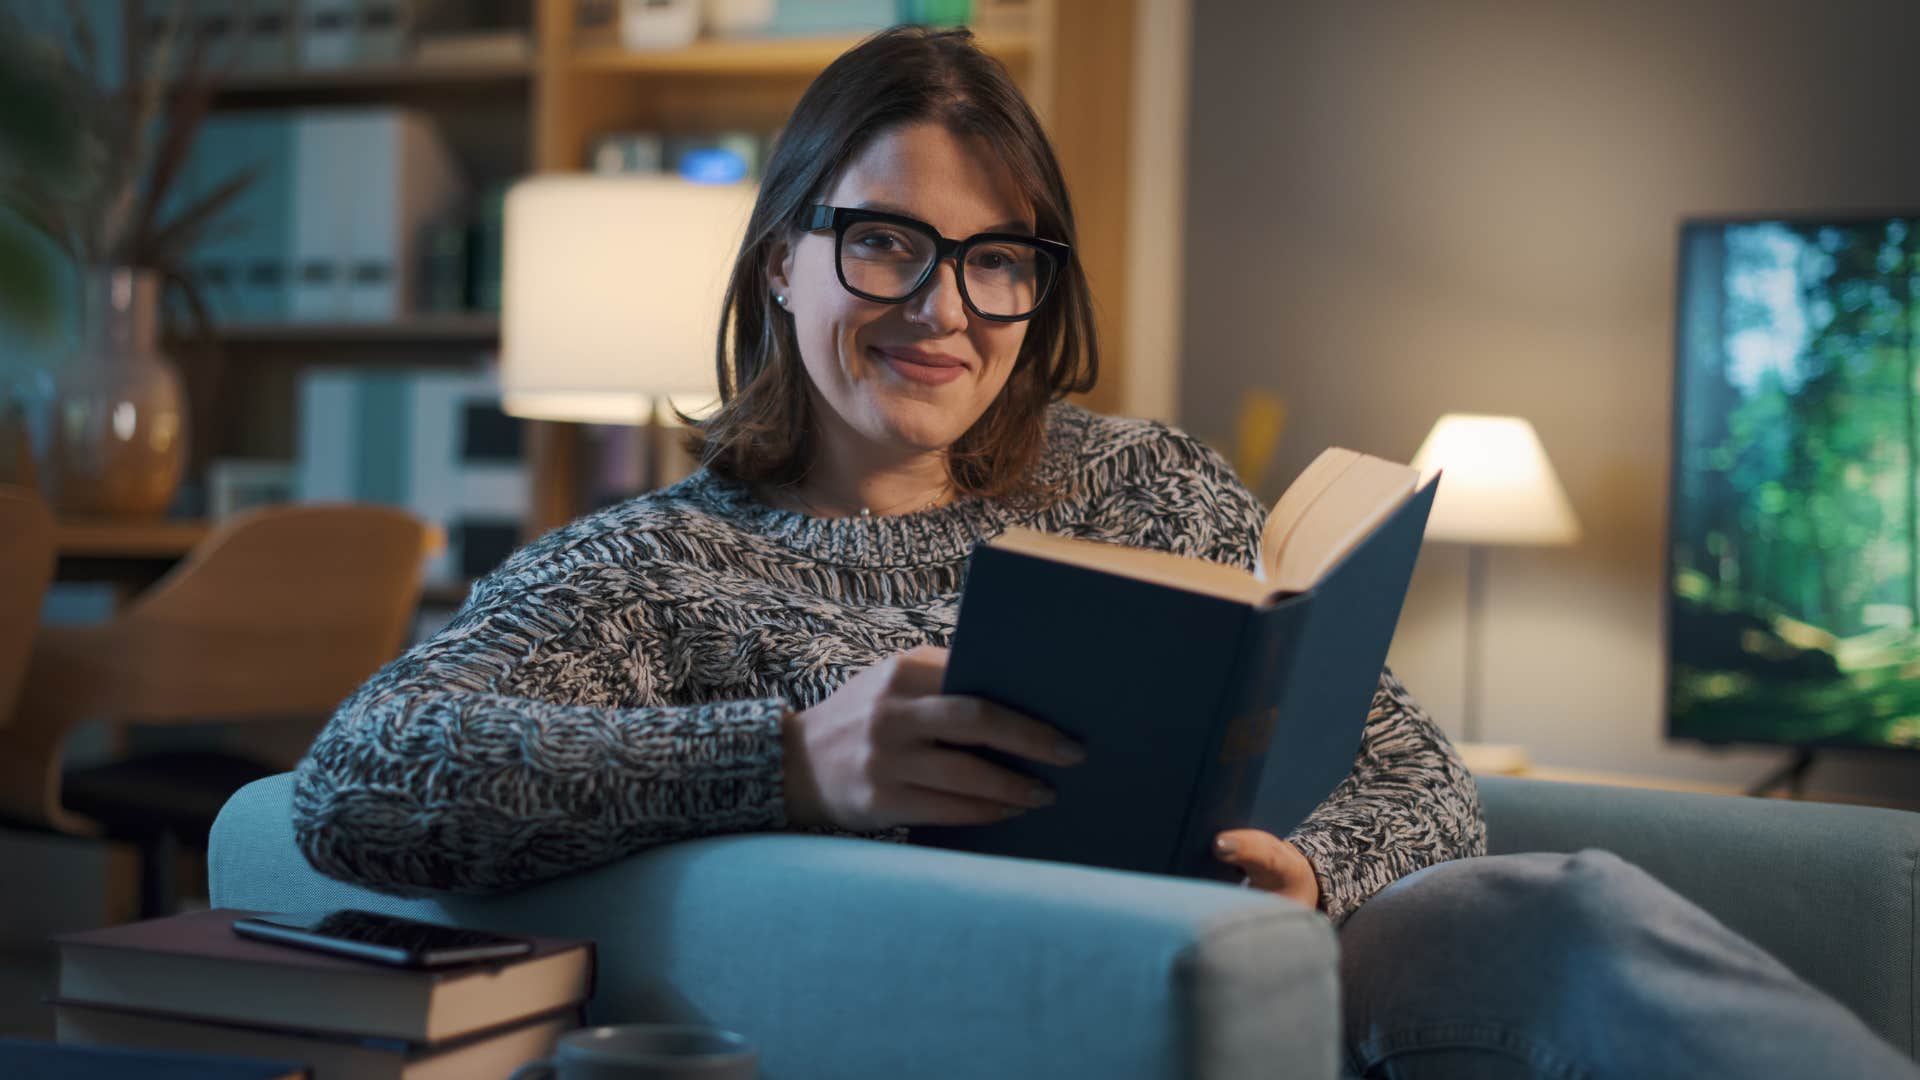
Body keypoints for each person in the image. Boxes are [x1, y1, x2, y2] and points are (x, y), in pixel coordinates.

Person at [292, 27, 1919, 1079]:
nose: (944, 308)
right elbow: (355, 781)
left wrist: (1315, 871)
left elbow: (1423, 775)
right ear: (784, 262)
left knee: (1573, 909)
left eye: (998, 262)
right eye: (887, 245)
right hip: (1022, 1012)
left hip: (1292, 983)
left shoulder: (1143, 484)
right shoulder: (654, 572)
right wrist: (788, 761)